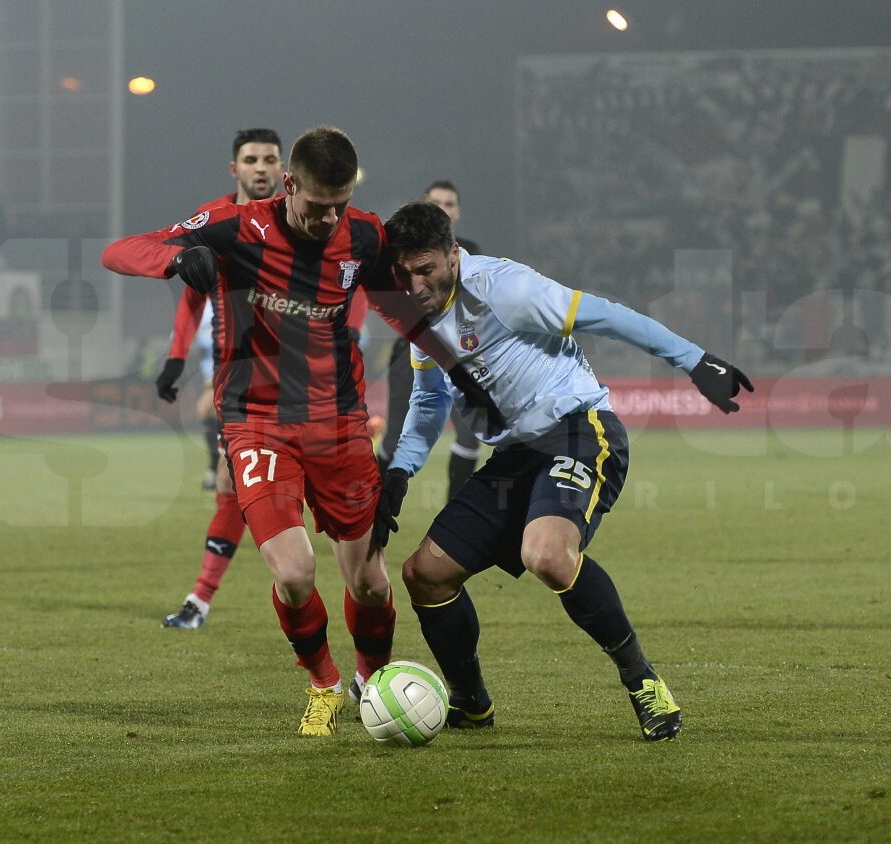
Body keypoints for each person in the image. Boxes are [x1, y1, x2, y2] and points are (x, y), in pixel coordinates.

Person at [102, 127, 500, 737]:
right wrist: (175, 258)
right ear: (289, 185)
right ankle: (324, 684)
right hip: (256, 421)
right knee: (292, 573)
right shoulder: (236, 227)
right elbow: (120, 250)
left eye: (340, 204)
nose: (329, 218)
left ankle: (372, 681)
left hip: (339, 423)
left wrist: (457, 368)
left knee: (370, 582)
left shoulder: (363, 235)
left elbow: (400, 309)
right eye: (318, 206)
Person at [373, 201, 752, 742]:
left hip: (579, 429)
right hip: (516, 456)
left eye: (425, 269)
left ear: (453, 255)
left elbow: (606, 314)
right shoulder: (419, 319)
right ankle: (472, 704)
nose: (414, 285)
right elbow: (430, 401)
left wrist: (693, 359)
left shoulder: (506, 289)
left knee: (547, 555)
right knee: (425, 575)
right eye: (403, 272)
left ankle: (641, 679)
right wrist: (400, 472)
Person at [152, 128, 285, 630]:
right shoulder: (216, 221)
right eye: (251, 159)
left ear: (282, 168)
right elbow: (192, 291)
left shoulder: (301, 217)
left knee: (323, 505)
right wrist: (175, 358)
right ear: (235, 169)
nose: (260, 168)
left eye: (269, 159)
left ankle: (354, 620)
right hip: (243, 382)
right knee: (232, 483)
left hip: (307, 381)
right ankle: (201, 598)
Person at [376, 180, 482, 499]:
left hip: (457, 353)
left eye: (449, 204)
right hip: (410, 354)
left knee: (470, 435)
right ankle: (374, 509)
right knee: (395, 437)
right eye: (436, 203)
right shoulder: (398, 251)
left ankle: (455, 514)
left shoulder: (469, 252)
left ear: (458, 212)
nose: (443, 210)